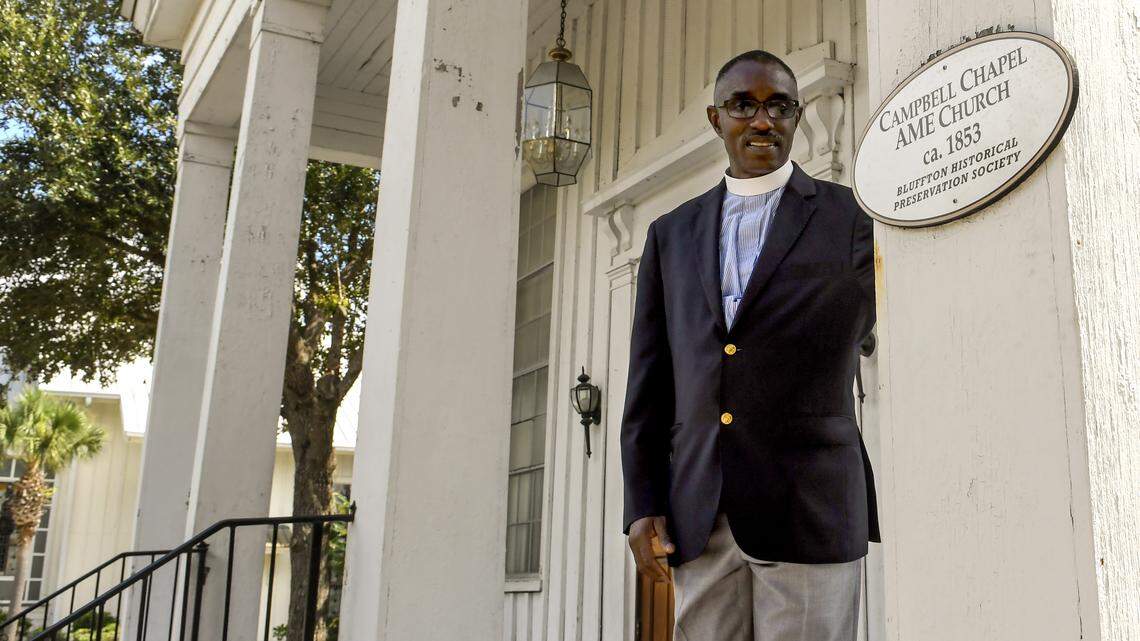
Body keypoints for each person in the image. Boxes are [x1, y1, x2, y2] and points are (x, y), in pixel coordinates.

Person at [620, 49, 879, 641]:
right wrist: (641, 501)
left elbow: (880, 316)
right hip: (701, 511)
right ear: (717, 119)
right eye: (743, 105)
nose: (762, 121)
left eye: (778, 106)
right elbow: (650, 382)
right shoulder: (670, 235)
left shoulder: (852, 219)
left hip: (810, 505)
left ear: (797, 115)